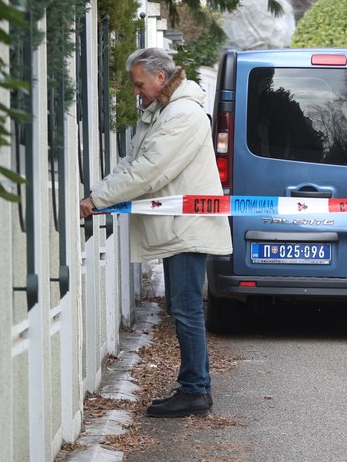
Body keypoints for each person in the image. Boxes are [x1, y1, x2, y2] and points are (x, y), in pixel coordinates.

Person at [79, 47, 232, 418]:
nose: (136, 91)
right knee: (183, 308)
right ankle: (195, 387)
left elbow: (149, 171)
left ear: (161, 78)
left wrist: (98, 198)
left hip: (185, 228)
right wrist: (99, 194)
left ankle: (195, 390)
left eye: (139, 84)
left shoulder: (182, 114)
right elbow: (133, 163)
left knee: (186, 309)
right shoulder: (163, 111)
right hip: (177, 227)